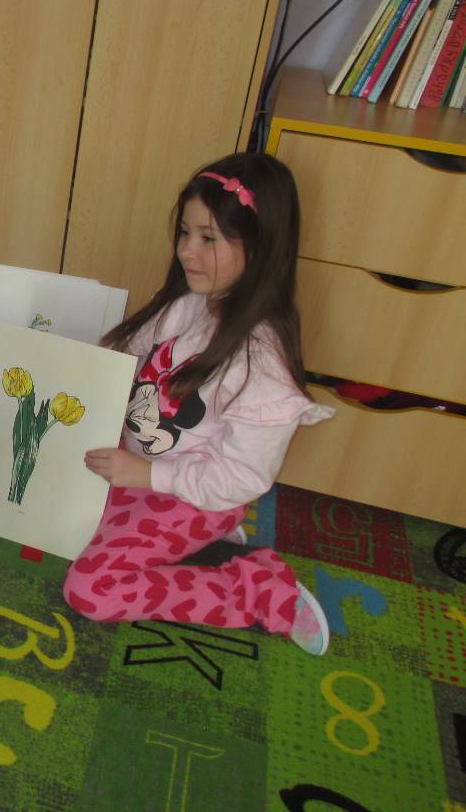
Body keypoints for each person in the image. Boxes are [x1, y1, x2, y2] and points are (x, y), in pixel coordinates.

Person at [63, 152, 335, 655]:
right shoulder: (188, 305)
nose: (187, 250)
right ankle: (208, 548)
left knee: (91, 589)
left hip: (190, 494)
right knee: (53, 514)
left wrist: (148, 476)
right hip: (138, 472)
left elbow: (243, 477)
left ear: (259, 246)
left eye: (208, 238)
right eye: (185, 233)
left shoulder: (259, 362)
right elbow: (125, 359)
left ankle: (255, 589)